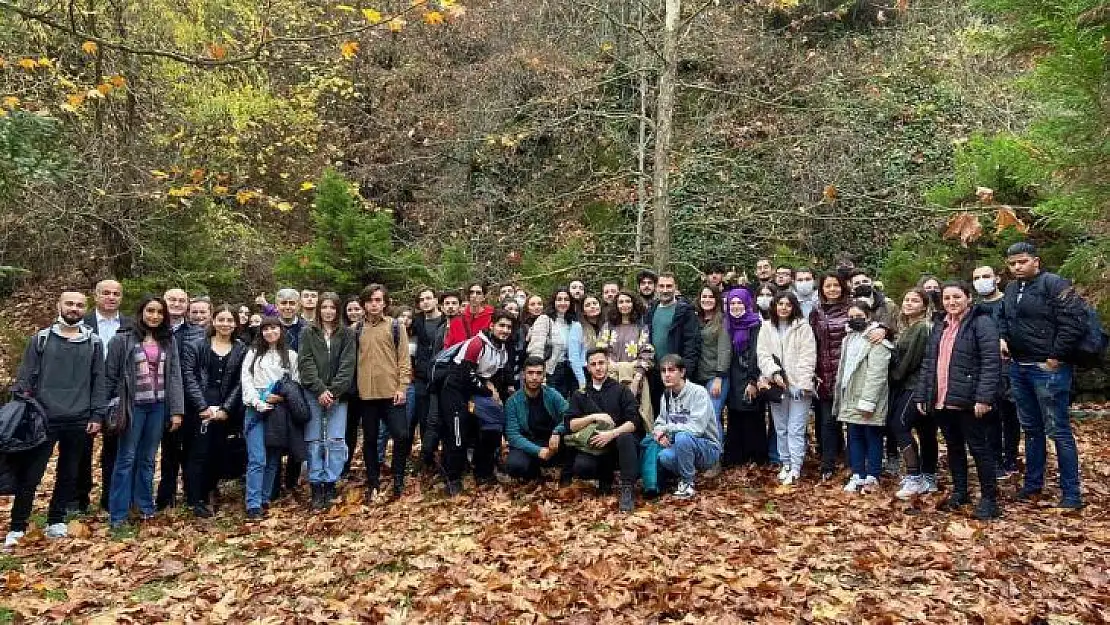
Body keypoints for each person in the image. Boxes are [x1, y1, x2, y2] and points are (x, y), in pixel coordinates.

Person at [6, 290, 107, 548]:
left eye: (79, 305)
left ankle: (56, 520)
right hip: (43, 418)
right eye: (69, 303)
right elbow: (25, 379)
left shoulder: (93, 342)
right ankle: (18, 526)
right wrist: (24, 410)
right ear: (59, 305)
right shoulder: (41, 339)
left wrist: (97, 414)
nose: (74, 308)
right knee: (31, 474)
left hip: (79, 418)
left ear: (86, 309)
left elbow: (99, 380)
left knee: (69, 473)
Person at [998, 242, 1086, 508]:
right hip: (1019, 366)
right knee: (1031, 429)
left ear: (1036, 261)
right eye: (1012, 263)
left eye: (1022, 262)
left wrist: (1055, 356)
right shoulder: (1012, 289)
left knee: (1058, 430)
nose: (1017, 267)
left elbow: (1074, 320)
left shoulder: (1054, 284)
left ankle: (1071, 493)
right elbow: (1003, 316)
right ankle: (1033, 484)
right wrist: (1002, 338)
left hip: (1047, 369)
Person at [915, 281, 1002, 519]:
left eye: (957, 297)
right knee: (953, 448)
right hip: (943, 399)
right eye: (946, 298)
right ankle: (960, 492)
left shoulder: (981, 324)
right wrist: (924, 394)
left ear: (968, 298)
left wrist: (984, 398)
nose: (952, 302)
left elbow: (991, 363)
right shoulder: (940, 325)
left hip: (969, 400)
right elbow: (929, 363)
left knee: (979, 448)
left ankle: (989, 499)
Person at [104, 295, 185, 528]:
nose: (155, 316)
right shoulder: (123, 340)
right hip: (132, 406)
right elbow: (110, 377)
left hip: (158, 406)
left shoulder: (168, 340)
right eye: (150, 311)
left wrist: (176, 411)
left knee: (148, 459)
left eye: (160, 312)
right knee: (126, 459)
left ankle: (145, 507)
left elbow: (175, 377)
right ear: (141, 312)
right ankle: (118, 514)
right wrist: (103, 410)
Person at [180, 304, 247, 518]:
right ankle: (195, 498)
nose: (225, 324)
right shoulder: (196, 346)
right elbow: (189, 377)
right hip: (199, 407)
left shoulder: (241, 349)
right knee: (198, 452)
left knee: (218, 452)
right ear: (213, 321)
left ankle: (210, 490)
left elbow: (240, 382)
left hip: (226, 408)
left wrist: (226, 408)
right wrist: (202, 406)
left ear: (235, 324)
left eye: (229, 320)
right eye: (221, 319)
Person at [440, 309, 516, 495]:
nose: (505, 330)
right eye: (501, 326)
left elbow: (491, 375)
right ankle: (453, 478)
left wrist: (495, 390)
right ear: (492, 326)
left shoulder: (502, 350)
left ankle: (483, 471)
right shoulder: (477, 344)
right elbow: (466, 375)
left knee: (492, 428)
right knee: (458, 434)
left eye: (508, 327)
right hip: (455, 390)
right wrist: (488, 391)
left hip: (477, 391)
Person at [352, 284, 412, 499]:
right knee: (369, 439)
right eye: (370, 301)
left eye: (378, 300)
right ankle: (373, 481)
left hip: (391, 392)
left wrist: (402, 386)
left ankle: (398, 477)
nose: (374, 304)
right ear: (364, 304)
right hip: (366, 395)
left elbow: (404, 360)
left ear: (385, 302)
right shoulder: (356, 330)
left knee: (402, 435)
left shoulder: (396, 327)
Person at [75, 279, 130, 513]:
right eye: (105, 293)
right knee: (81, 449)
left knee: (115, 449)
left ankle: (110, 498)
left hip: (118, 395)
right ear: (95, 296)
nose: (111, 297)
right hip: (85, 393)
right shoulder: (81, 323)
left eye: (116, 293)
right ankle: (78, 499)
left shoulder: (130, 325)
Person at [564, 349, 642, 512]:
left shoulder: (621, 390)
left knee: (626, 437)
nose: (598, 367)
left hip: (620, 444)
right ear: (588, 368)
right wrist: (593, 417)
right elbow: (570, 424)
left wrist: (612, 434)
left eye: (601, 363)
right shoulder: (580, 394)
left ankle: (627, 489)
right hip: (595, 446)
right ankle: (604, 479)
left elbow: (634, 421)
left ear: (607, 364)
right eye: (593, 364)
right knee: (581, 467)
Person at [297, 293, 355, 511]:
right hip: (313, 393)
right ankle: (316, 485)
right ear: (319, 309)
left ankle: (330, 482)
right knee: (314, 441)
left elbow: (348, 364)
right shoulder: (308, 332)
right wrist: (320, 389)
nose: (328, 311)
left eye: (332, 307)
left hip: (338, 396)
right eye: (325, 307)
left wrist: (334, 391)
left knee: (335, 440)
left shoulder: (347, 334)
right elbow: (306, 362)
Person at [240, 317, 298, 520]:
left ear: (281, 330)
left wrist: (281, 397)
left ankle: (265, 498)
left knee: (273, 457)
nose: (270, 332)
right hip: (255, 408)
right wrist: (257, 401)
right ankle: (253, 503)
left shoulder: (290, 356)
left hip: (279, 409)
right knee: (257, 457)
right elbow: (245, 380)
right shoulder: (253, 353)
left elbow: (295, 384)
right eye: (265, 329)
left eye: (274, 328)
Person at [756, 291, 817, 485]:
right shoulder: (766, 327)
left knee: (795, 428)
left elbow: (808, 357)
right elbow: (763, 354)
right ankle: (786, 463)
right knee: (780, 427)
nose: (783, 308)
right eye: (780, 304)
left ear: (794, 307)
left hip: (800, 386)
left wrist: (801, 383)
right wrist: (774, 373)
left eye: (788, 305)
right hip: (776, 385)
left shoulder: (803, 327)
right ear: (774, 306)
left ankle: (796, 466)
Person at [156, 290, 208, 511]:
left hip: (193, 399)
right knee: (168, 452)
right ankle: (166, 496)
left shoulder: (197, 332)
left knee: (193, 451)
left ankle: (193, 495)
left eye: (181, 301)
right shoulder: (154, 331)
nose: (176, 304)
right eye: (172, 300)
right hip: (161, 398)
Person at [835, 301, 894, 494]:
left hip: (869, 398)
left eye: (859, 316)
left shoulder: (878, 341)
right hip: (850, 395)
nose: (854, 320)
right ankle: (858, 474)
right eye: (851, 317)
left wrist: (868, 402)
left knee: (873, 437)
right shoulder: (848, 338)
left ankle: (873, 475)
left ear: (868, 316)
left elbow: (877, 374)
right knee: (854, 436)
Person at [972, 264, 1019, 477]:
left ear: (996, 278)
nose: (981, 280)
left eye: (986, 276)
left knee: (1011, 417)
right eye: (977, 277)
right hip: (985, 370)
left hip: (1010, 368)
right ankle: (995, 460)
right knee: (990, 418)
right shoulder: (975, 308)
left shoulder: (1009, 303)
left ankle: (1011, 458)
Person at [889, 289, 937, 499]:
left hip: (915, 385)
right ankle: (928, 475)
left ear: (924, 306)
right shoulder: (907, 327)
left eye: (915, 301)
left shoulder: (922, 328)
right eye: (906, 299)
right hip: (910, 384)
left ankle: (915, 475)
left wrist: (894, 375)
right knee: (925, 430)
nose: (909, 303)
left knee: (899, 424)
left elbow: (910, 360)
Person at [655, 353, 722, 499]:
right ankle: (684, 475)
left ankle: (687, 483)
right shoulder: (666, 396)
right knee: (664, 456)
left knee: (682, 437)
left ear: (682, 372)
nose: (667, 375)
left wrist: (668, 428)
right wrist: (659, 434)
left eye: (671, 370)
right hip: (682, 446)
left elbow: (697, 429)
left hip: (708, 448)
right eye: (663, 371)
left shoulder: (699, 393)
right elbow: (660, 422)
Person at [644, 273, 702, 419]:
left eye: (669, 286)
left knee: (679, 415)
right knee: (658, 413)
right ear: (656, 288)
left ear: (675, 287)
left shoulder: (685, 311)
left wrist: (685, 372)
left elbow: (691, 343)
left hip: (677, 373)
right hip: (655, 371)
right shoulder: (652, 310)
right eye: (661, 286)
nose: (665, 290)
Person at [504, 356, 571, 482]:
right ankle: (533, 473)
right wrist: (538, 451)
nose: (534, 377)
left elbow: (569, 415)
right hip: (529, 443)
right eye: (530, 373)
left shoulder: (552, 395)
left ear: (544, 375)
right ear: (523, 374)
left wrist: (557, 431)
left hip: (553, 441)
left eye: (539, 373)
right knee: (515, 465)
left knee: (572, 440)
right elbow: (513, 435)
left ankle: (566, 476)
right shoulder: (512, 402)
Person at [811, 272, 850, 480]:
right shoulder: (816, 312)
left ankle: (854, 463)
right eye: (828, 286)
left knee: (852, 421)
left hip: (848, 373)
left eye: (836, 285)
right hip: (824, 374)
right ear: (822, 289)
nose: (832, 289)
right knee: (827, 421)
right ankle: (828, 464)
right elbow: (812, 343)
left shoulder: (851, 309)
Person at [723, 288, 766, 466]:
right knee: (734, 415)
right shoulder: (727, 324)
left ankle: (756, 456)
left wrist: (752, 380)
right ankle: (736, 456)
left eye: (739, 303)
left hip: (750, 373)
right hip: (733, 376)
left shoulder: (755, 324)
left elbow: (757, 352)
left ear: (747, 304)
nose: (736, 306)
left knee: (752, 415)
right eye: (732, 303)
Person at [410, 288, 448, 472]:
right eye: (421, 299)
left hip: (443, 375)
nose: (425, 302)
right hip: (421, 375)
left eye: (428, 298)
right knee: (424, 418)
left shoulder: (446, 320)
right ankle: (428, 457)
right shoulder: (416, 322)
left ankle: (446, 454)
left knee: (443, 416)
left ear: (435, 300)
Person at [526, 287, 585, 398]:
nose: (563, 303)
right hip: (549, 372)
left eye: (566, 299)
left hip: (567, 373)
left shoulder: (572, 324)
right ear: (554, 302)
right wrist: (539, 374)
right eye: (559, 299)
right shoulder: (544, 319)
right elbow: (536, 349)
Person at [693, 286, 731, 429]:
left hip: (715, 377)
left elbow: (725, 350)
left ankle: (716, 450)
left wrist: (719, 377)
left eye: (711, 297)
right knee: (699, 418)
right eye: (704, 296)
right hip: (699, 376)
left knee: (712, 417)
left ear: (717, 299)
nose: (707, 300)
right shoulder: (696, 319)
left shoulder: (722, 320)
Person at [445, 282, 494, 347]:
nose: (474, 296)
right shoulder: (457, 321)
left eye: (478, 293)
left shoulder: (492, 317)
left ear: (484, 297)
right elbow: (448, 347)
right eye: (471, 293)